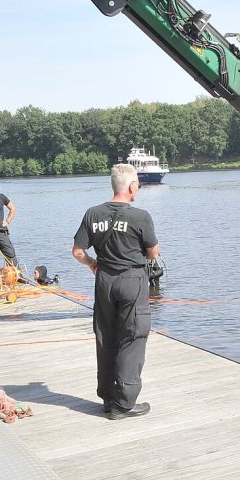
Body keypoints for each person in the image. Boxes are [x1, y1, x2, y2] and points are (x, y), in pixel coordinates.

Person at [72, 164, 159, 420]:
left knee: (106, 335)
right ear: (131, 186)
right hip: (132, 280)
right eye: (138, 186)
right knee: (132, 336)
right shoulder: (140, 216)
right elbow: (153, 252)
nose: (138, 190)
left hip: (104, 279)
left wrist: (92, 264)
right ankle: (124, 403)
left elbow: (77, 252)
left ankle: (108, 397)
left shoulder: (92, 214)